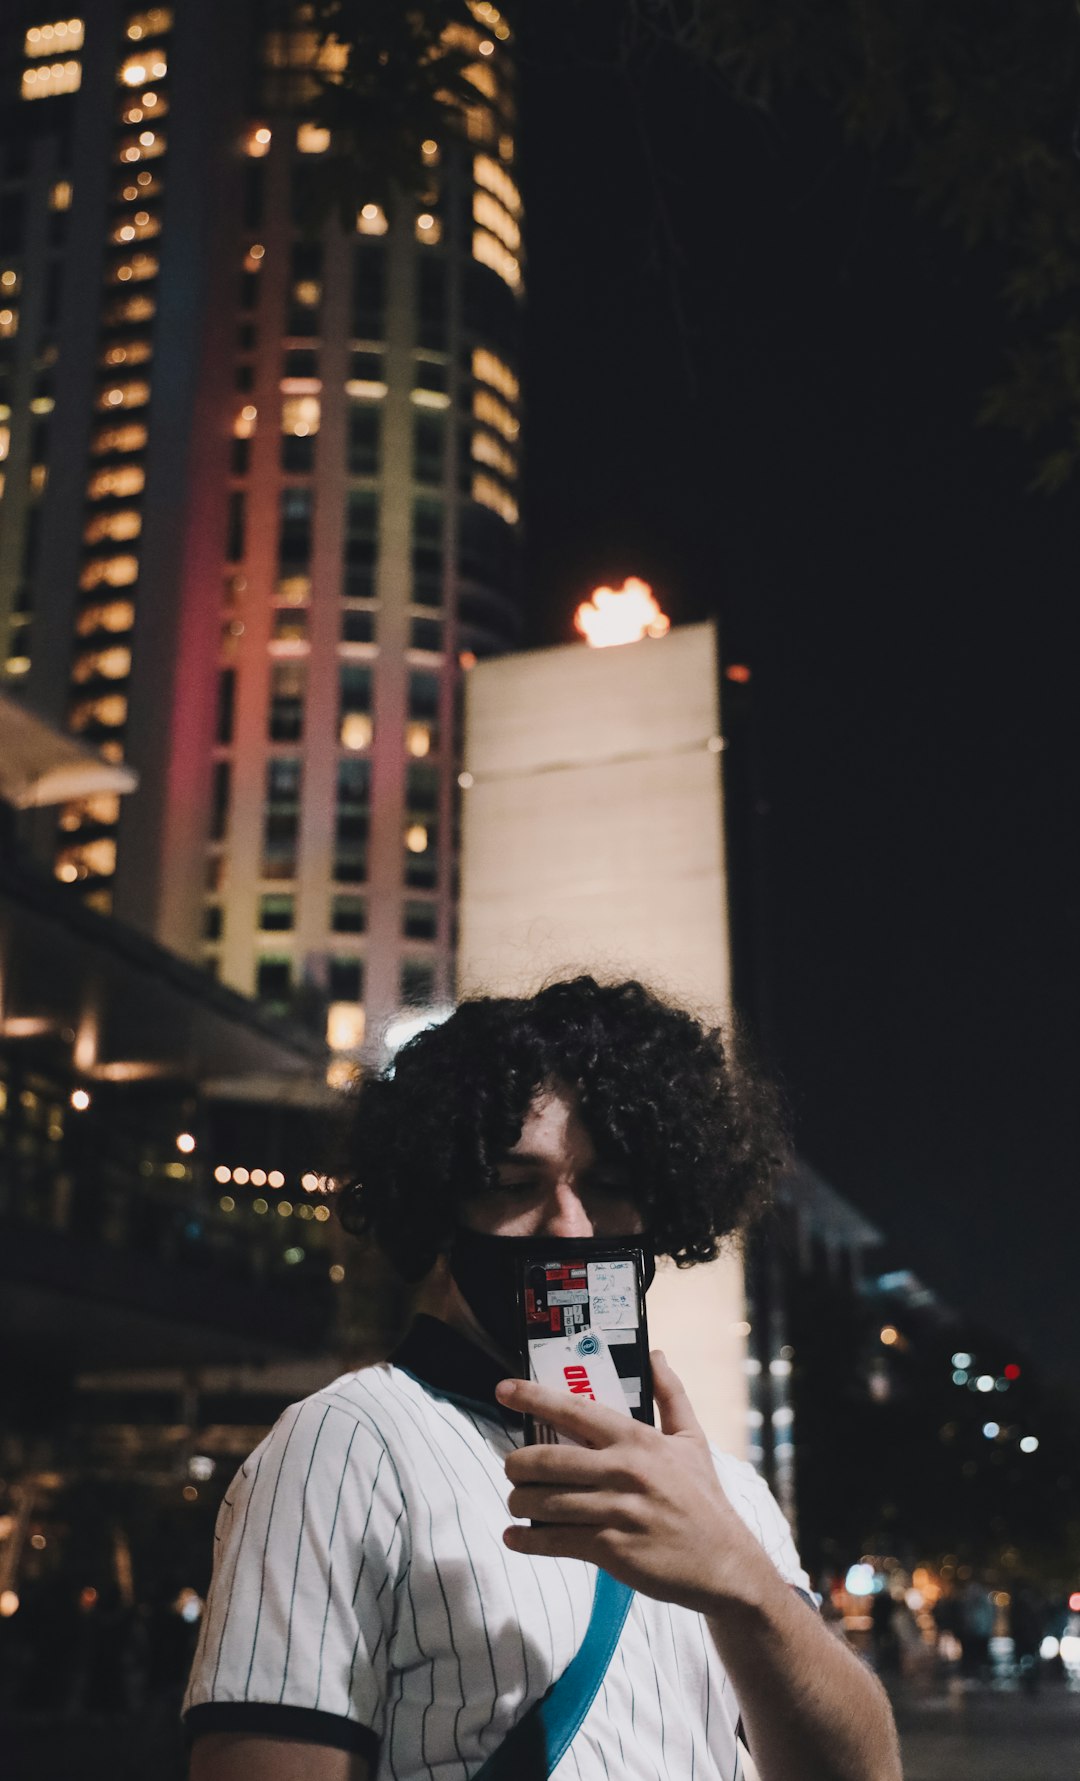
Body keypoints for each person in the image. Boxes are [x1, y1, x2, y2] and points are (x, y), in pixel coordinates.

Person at [184, 977, 902, 1780]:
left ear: (663, 1205)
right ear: (438, 1204)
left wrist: (745, 1585)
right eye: (514, 1184)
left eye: (610, 1184)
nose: (568, 1225)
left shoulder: (728, 1494)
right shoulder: (345, 1443)